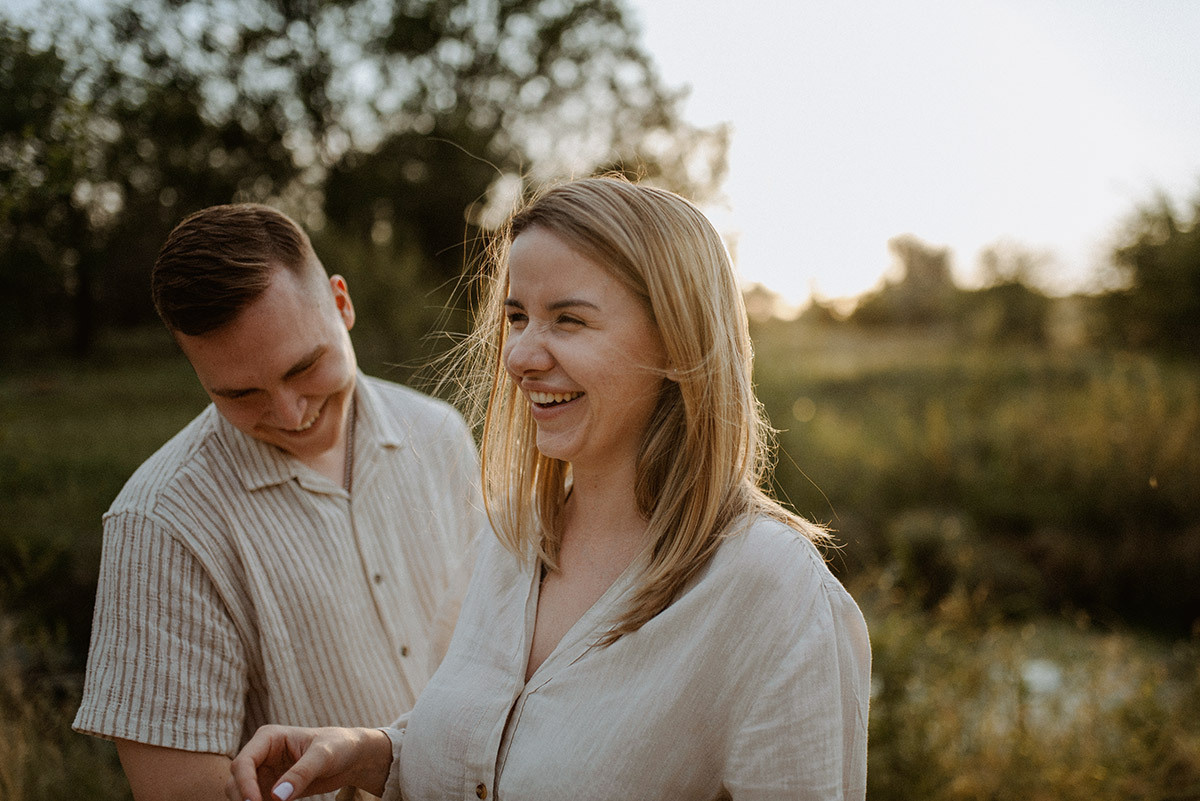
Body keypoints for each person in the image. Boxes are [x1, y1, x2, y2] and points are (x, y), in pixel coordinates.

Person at [228, 178, 871, 801]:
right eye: (516, 316)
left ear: (679, 343)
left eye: (568, 320)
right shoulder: (504, 540)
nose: (520, 357)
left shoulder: (774, 594)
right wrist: (371, 755)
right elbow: (489, 758)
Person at [72, 203, 484, 801]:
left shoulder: (439, 433)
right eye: (241, 394)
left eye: (305, 366)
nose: (290, 414)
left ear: (341, 303)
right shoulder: (161, 524)